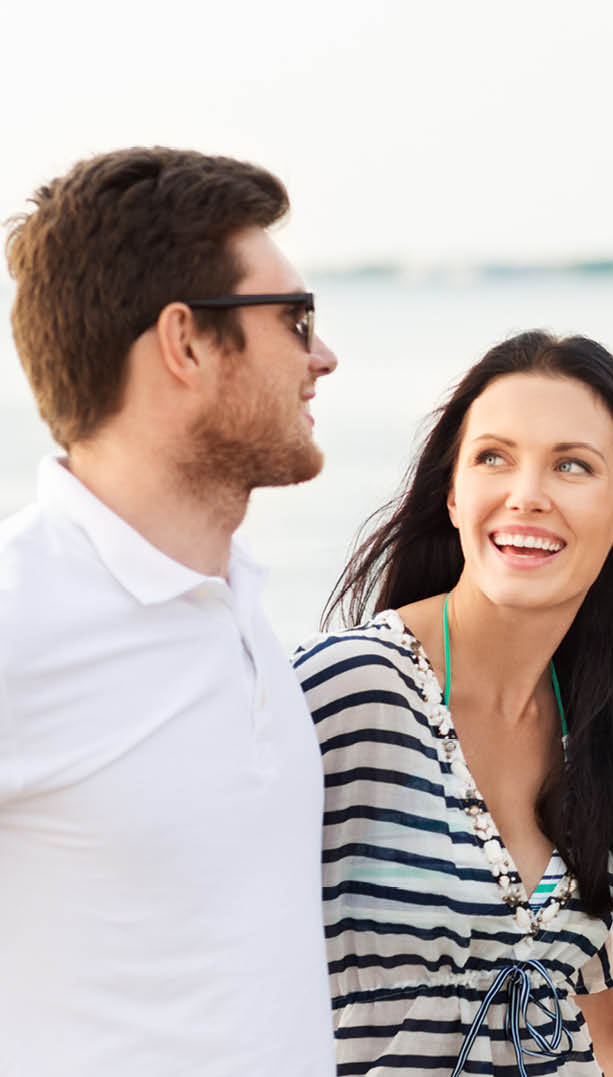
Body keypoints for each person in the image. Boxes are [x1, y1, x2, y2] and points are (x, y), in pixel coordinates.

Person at [0, 147, 339, 1072]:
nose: (323, 356)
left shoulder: (240, 605)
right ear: (186, 342)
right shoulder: (21, 614)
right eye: (295, 318)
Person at [294, 330, 613, 1076]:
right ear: (453, 495)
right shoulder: (342, 693)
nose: (526, 494)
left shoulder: (598, 730)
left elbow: (594, 1017)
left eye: (571, 465)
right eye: (494, 456)